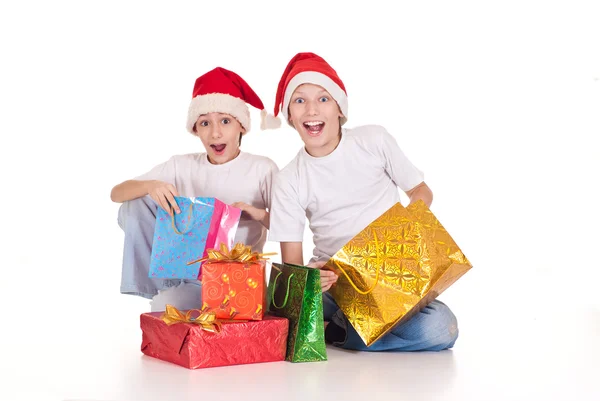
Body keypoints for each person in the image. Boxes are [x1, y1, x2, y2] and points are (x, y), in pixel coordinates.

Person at [268, 52, 458, 351]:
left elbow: (421, 191)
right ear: (289, 114)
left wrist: (404, 230)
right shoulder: (289, 178)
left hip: (392, 275)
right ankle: (348, 325)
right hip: (336, 286)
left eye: (323, 99)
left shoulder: (374, 141)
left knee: (441, 326)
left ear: (340, 109)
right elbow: (292, 269)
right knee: (290, 311)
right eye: (299, 100)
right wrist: (310, 280)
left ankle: (335, 332)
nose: (311, 110)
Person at [111, 67, 280, 311]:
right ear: (195, 129)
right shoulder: (182, 165)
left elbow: (288, 227)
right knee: (135, 203)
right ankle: (166, 285)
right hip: (190, 279)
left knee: (174, 313)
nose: (215, 132)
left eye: (225, 121)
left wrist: (257, 214)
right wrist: (150, 186)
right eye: (204, 123)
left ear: (241, 126)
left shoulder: (262, 168)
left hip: (238, 281)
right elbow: (117, 193)